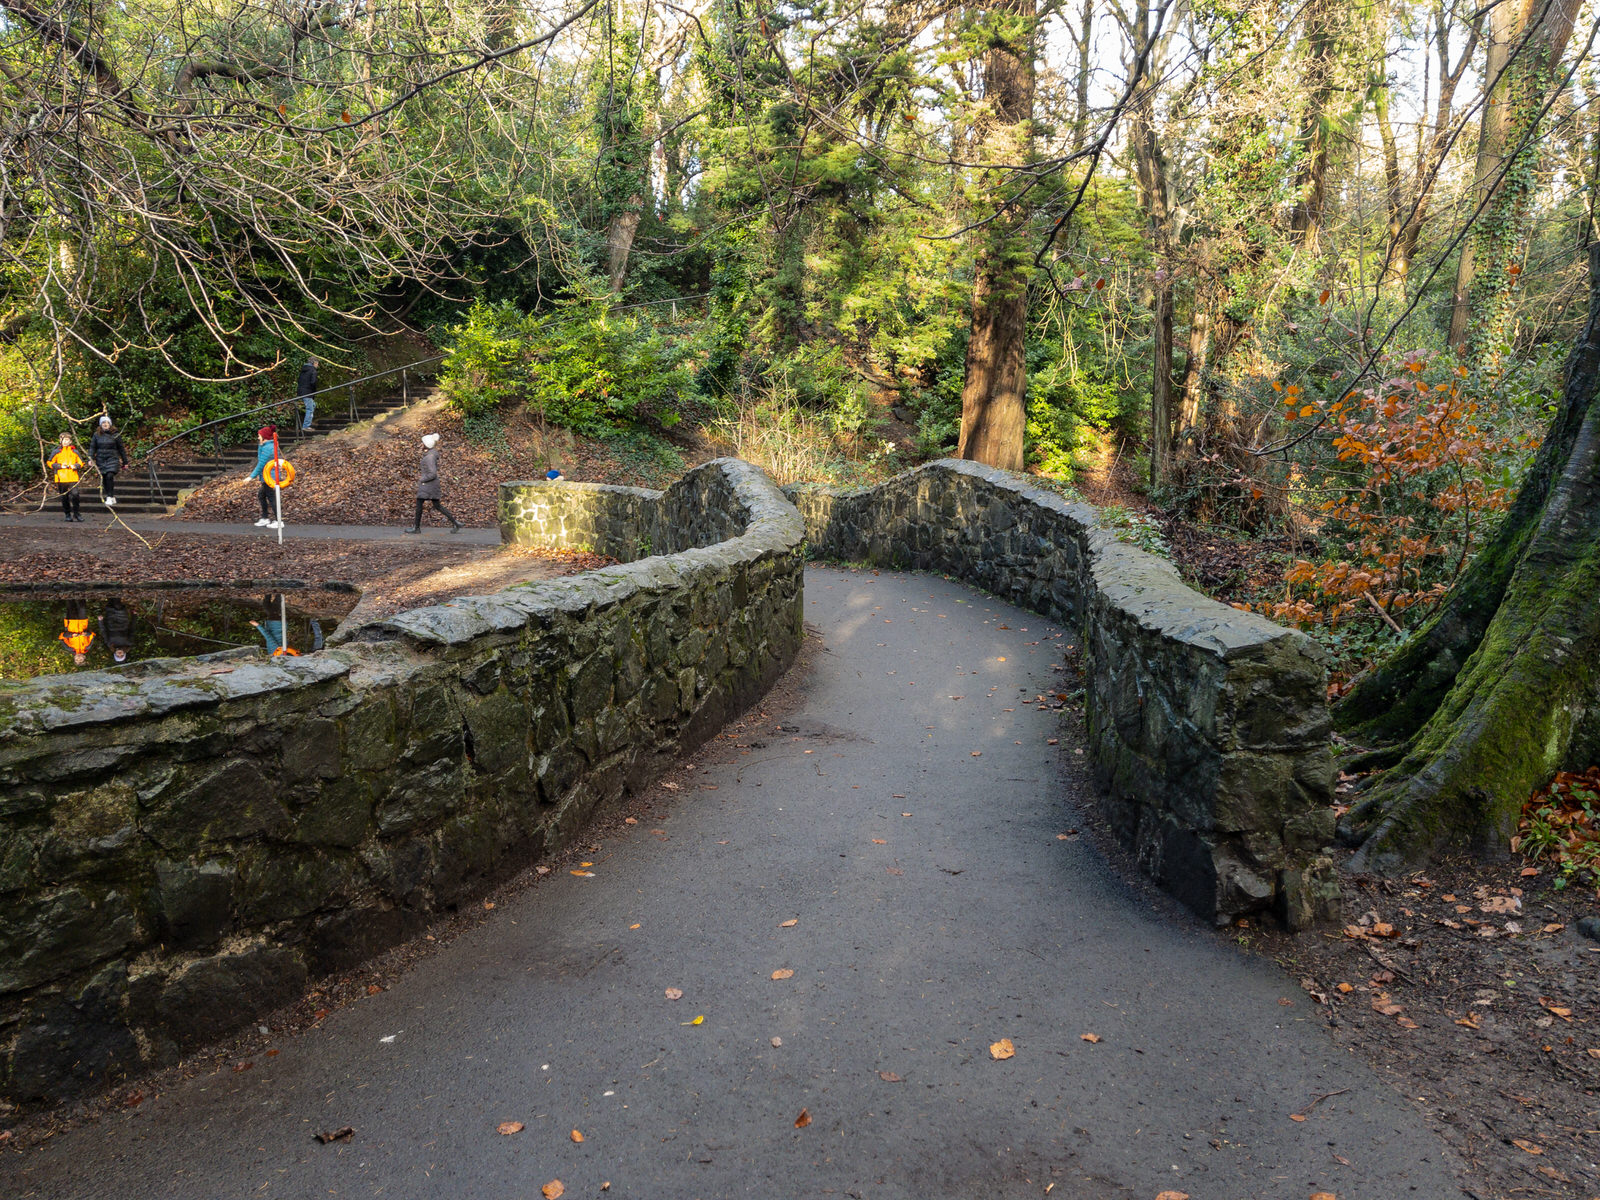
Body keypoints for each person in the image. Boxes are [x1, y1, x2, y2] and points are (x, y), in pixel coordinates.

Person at [404, 433, 461, 533]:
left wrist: (422, 479)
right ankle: (456, 523)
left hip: (428, 485)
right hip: (430, 485)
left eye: (422, 443)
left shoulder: (429, 457)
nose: (421, 444)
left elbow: (432, 473)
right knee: (436, 506)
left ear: (426, 445)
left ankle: (416, 528)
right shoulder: (430, 454)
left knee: (420, 504)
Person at [245, 427, 283, 529]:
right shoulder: (266, 446)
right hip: (267, 476)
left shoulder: (268, 448)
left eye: (259, 435)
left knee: (271, 498)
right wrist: (261, 444)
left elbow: (261, 464)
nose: (258, 437)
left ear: (264, 436)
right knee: (261, 495)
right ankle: (265, 518)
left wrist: (251, 477)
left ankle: (278, 520)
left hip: (270, 477)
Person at [89, 415, 129, 507]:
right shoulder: (96, 435)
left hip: (112, 458)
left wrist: (125, 462)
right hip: (101, 459)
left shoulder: (116, 435)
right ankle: (110, 495)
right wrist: (90, 458)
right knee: (103, 477)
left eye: (107, 423)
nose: (105, 424)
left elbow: (121, 449)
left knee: (109, 475)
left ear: (110, 424)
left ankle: (109, 496)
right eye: (103, 423)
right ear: (101, 424)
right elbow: (92, 447)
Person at [47, 432, 88, 522]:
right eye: (63, 439)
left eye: (67, 440)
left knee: (75, 495)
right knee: (64, 497)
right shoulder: (56, 452)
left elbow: (81, 462)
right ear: (60, 441)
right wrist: (60, 466)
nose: (65, 442)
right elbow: (50, 462)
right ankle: (67, 514)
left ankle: (77, 513)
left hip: (73, 477)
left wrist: (76, 466)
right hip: (61, 478)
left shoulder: (75, 452)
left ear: (70, 441)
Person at [99, 597, 135, 664]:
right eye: (121, 655)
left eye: (118, 656)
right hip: (123, 622)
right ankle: (117, 590)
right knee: (118, 606)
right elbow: (132, 629)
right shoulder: (128, 643)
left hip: (111, 622)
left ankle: (110, 590)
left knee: (110, 605)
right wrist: (134, 616)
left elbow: (103, 631)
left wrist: (100, 621)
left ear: (115, 654)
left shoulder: (110, 644)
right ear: (124, 653)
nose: (120, 654)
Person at [58, 599, 95, 666]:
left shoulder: (69, 648)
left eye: (77, 659)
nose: (79, 658)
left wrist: (71, 635)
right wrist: (86, 634)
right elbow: (92, 635)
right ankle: (80, 592)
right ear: (84, 657)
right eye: (81, 659)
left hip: (71, 623)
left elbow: (61, 637)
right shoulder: (87, 647)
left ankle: (68, 591)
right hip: (82, 622)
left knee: (70, 605)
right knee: (82, 607)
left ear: (74, 657)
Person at [297, 357, 319, 431]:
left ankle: (309, 422)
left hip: (302, 391)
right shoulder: (313, 371)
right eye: (317, 363)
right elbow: (313, 382)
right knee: (310, 408)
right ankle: (306, 426)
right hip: (308, 392)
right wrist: (314, 391)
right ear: (314, 363)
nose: (317, 365)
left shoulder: (304, 370)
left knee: (313, 405)